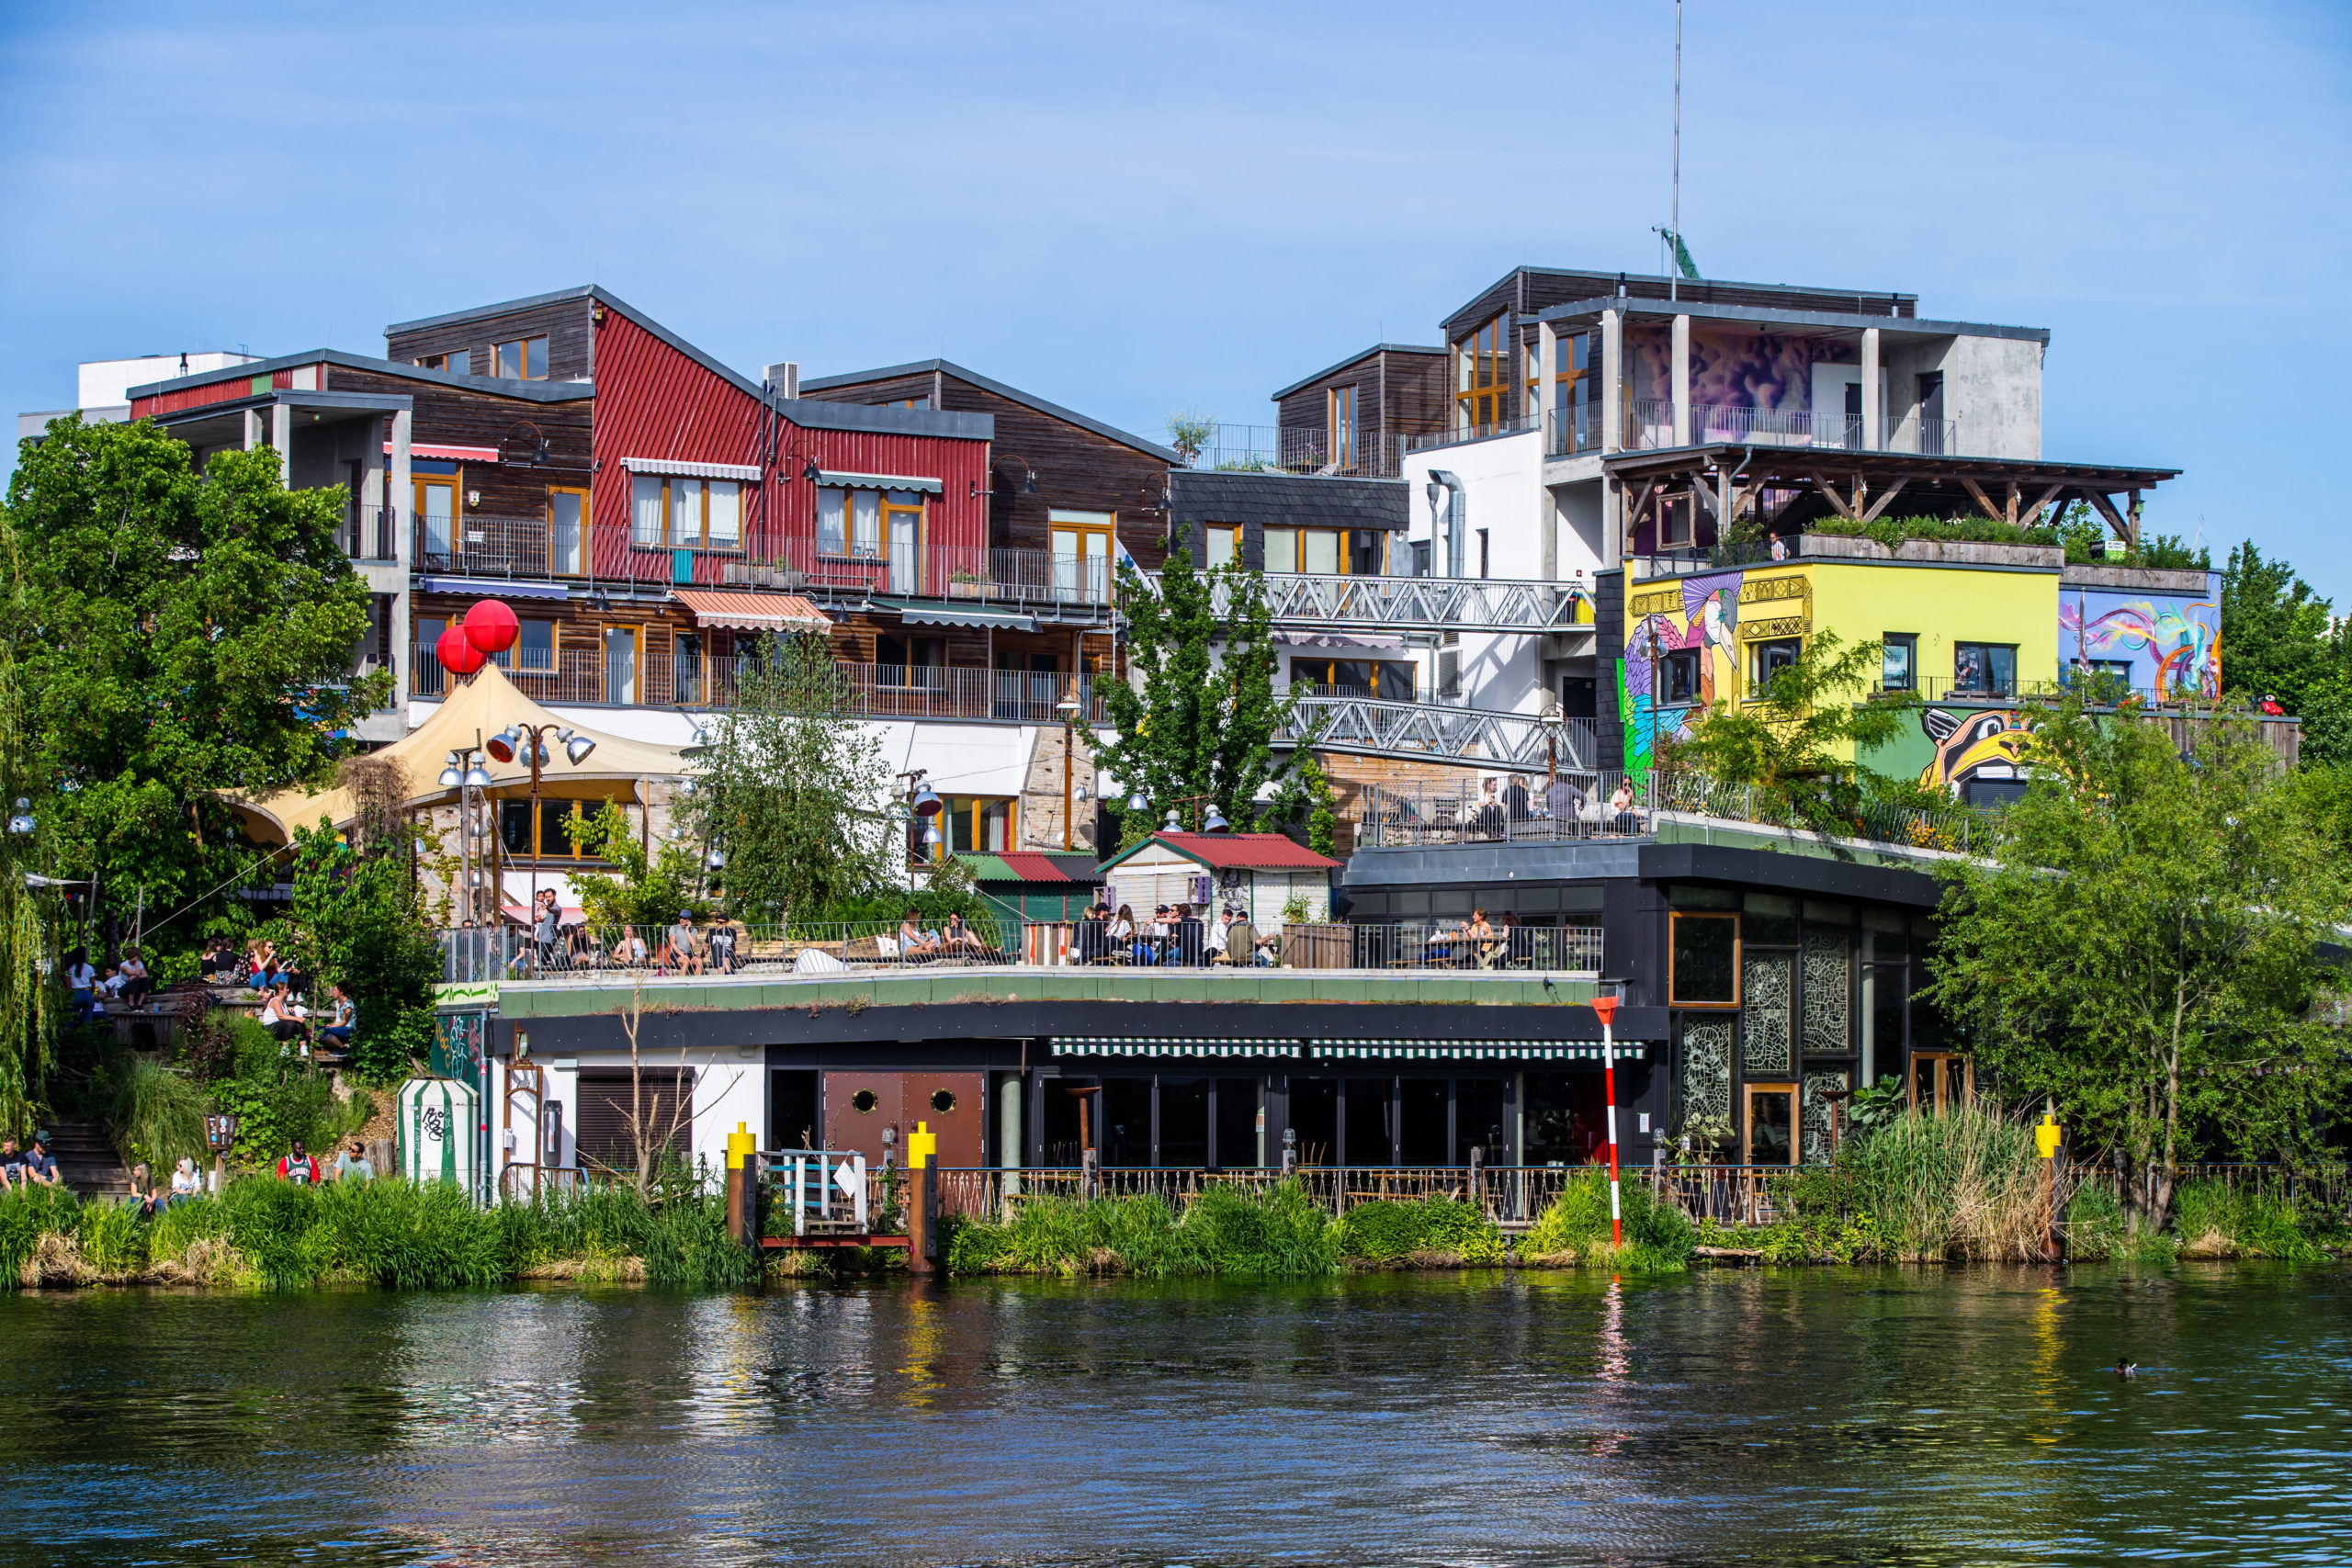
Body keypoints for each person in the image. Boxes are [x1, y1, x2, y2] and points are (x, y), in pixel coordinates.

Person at [318, 984, 356, 1052]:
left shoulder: (348, 1003)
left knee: (323, 1032)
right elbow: (337, 1020)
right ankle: (337, 1048)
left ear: (341, 992)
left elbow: (344, 1022)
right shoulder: (338, 1002)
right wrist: (330, 1026)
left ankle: (342, 1049)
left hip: (348, 1029)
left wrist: (331, 1027)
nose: (333, 992)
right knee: (317, 1029)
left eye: (335, 990)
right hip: (339, 1027)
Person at [65, 948, 96, 1012]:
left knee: (72, 1016)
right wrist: (93, 993)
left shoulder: (70, 968)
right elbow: (93, 984)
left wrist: (66, 996)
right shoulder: (89, 968)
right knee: (88, 1018)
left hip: (75, 993)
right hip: (87, 992)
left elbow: (68, 984)